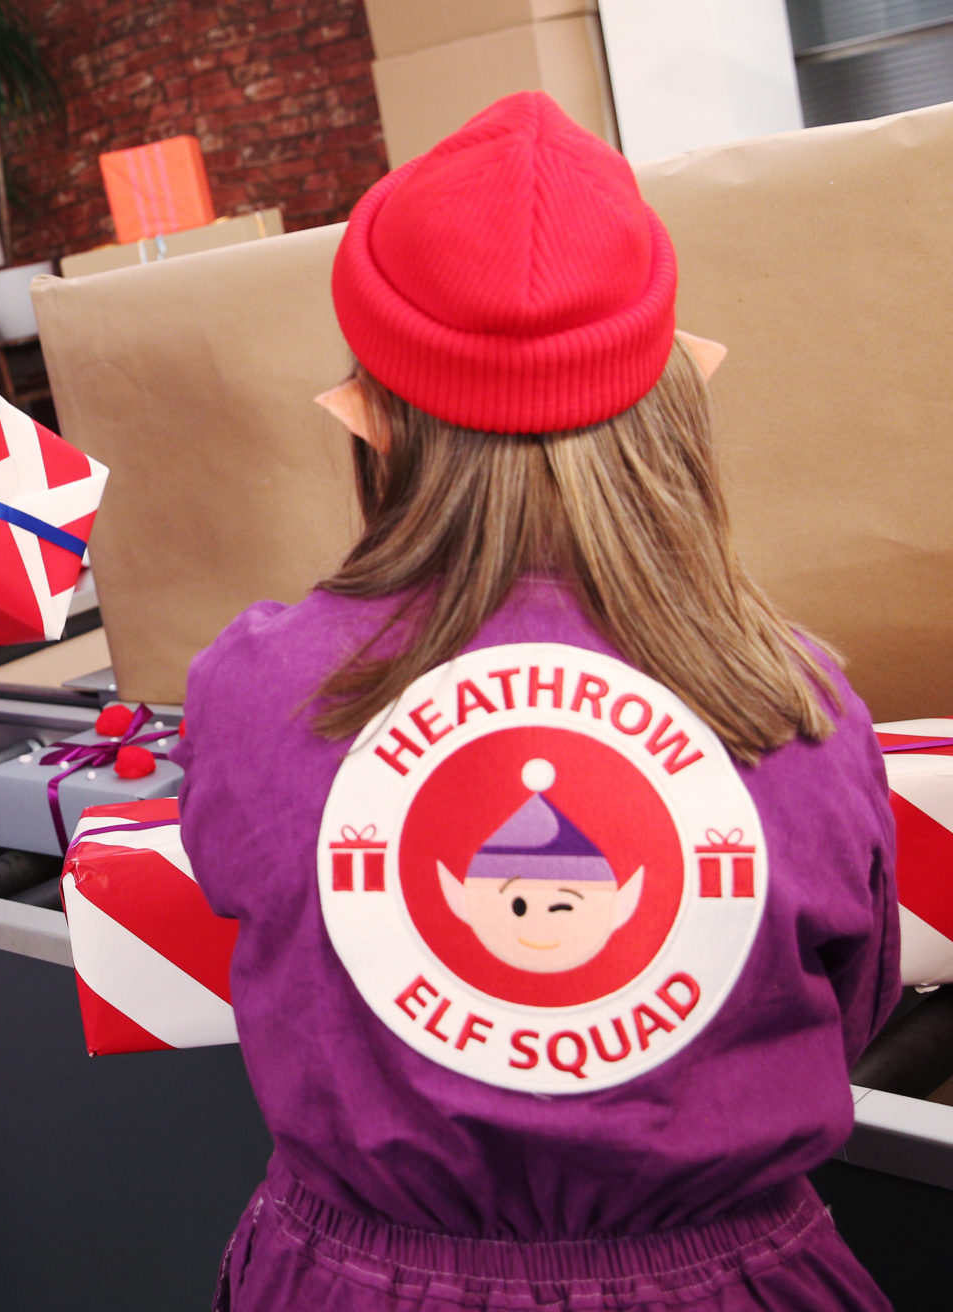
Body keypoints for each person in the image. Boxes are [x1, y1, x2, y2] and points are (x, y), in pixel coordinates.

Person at [177, 93, 898, 1311]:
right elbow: (847, 1005)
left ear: (373, 410)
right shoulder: (792, 698)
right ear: (667, 388)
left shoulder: (252, 687)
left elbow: (276, 942)